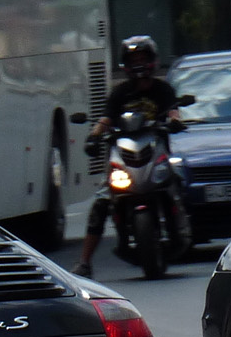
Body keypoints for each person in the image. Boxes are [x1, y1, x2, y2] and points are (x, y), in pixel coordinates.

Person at [72, 35, 184, 277]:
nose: (139, 64)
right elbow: (106, 119)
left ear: (153, 61)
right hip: (124, 158)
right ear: (125, 64)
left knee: (180, 184)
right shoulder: (120, 93)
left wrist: (175, 122)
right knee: (102, 203)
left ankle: (184, 229)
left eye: (143, 59)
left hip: (155, 155)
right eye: (134, 60)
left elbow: (174, 111)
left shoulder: (162, 90)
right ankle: (84, 262)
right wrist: (93, 136)